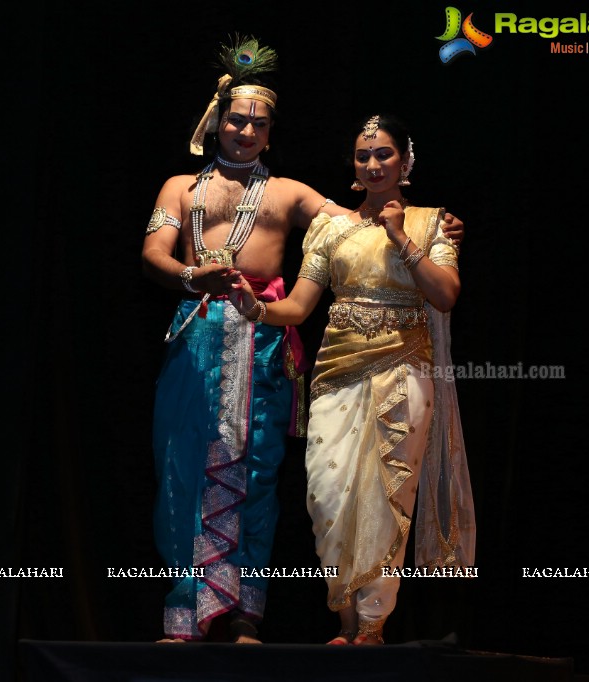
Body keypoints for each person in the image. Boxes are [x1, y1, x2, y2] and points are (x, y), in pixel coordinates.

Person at [141, 38, 465, 644]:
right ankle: (185, 613)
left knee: (260, 474)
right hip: (196, 330)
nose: (246, 130)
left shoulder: (289, 193)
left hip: (265, 342)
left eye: (259, 124)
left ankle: (246, 615)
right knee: (182, 466)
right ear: (215, 123)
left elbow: (352, 221)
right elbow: (152, 257)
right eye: (236, 119)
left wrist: (430, 223)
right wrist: (194, 276)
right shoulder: (178, 189)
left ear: (270, 133)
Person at [228, 113, 477, 646]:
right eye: (363, 156)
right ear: (353, 166)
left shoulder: (433, 222)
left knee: (388, 496)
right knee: (328, 496)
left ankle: (370, 625)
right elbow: (296, 307)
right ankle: (345, 618)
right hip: (336, 376)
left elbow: (446, 295)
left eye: (383, 153)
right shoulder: (330, 228)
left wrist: (399, 236)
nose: (372, 164)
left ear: (404, 161)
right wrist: (254, 309)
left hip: (403, 371)